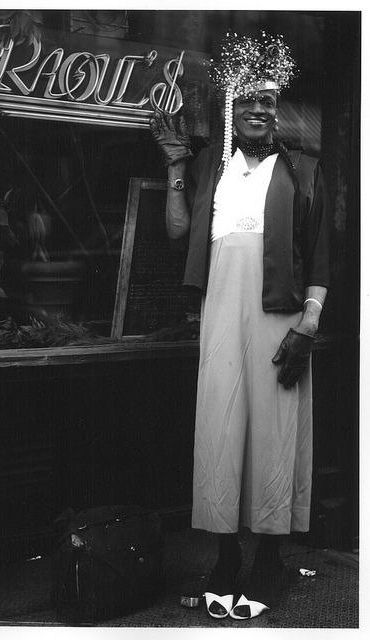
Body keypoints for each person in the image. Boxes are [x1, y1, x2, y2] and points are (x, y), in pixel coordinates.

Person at [150, 33, 330, 620]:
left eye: (269, 100)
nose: (258, 109)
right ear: (233, 105)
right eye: (248, 99)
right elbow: (179, 232)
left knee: (275, 435)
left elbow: (321, 257)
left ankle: (269, 560)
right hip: (220, 317)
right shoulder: (211, 166)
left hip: (280, 320)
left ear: (278, 110)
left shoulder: (303, 170)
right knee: (221, 432)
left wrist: (309, 325)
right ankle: (226, 557)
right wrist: (176, 165)